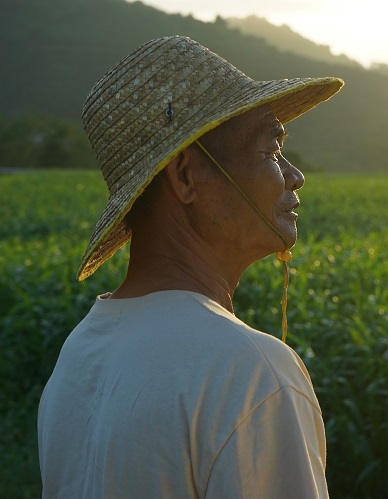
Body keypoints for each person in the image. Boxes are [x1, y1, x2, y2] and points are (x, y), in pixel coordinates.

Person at [37, 35, 343, 498]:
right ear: (185, 177)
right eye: (270, 150)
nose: (294, 175)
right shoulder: (249, 372)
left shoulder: (78, 357)